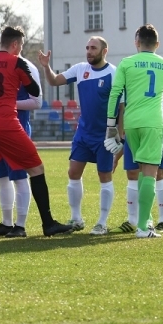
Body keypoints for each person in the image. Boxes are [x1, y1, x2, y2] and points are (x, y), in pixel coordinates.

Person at [0, 26, 74, 240]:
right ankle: (48, 223)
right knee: (36, 169)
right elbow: (34, 90)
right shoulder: (17, 62)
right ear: (15, 44)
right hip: (6, 124)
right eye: (21, 45)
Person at [106, 24, 163, 238]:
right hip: (153, 123)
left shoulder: (126, 63)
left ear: (137, 43)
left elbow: (115, 94)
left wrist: (111, 125)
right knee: (150, 173)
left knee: (140, 171)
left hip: (131, 124)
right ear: (157, 44)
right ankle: (143, 228)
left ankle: (145, 220)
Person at [37, 37, 117, 235]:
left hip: (104, 135)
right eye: (87, 47)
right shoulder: (80, 69)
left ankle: (102, 222)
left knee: (104, 176)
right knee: (73, 172)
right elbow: (54, 81)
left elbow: (122, 105)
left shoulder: (114, 73)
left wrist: (118, 131)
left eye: (93, 48)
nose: (89, 51)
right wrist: (46, 67)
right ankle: (76, 218)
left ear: (104, 51)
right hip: (83, 133)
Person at [0, 75, 44, 238]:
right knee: (2, 177)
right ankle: (7, 223)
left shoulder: (26, 68)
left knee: (19, 177)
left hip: (17, 130)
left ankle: (20, 225)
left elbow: (37, 102)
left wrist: (9, 104)